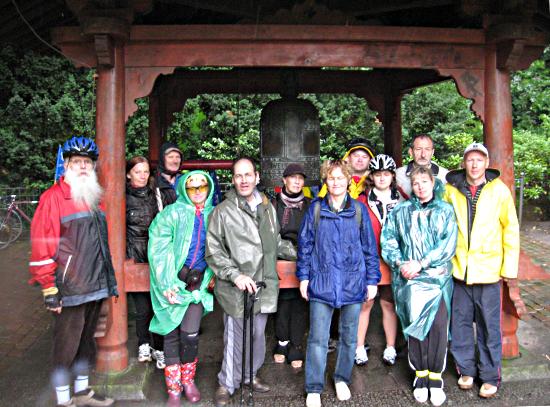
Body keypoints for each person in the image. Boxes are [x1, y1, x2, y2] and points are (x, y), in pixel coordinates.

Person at [29, 136, 117, 407]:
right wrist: (49, 288)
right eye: (76, 162)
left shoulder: (93, 198)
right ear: (65, 165)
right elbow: (42, 246)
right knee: (65, 347)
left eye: (87, 163)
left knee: (86, 343)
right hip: (69, 287)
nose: (82, 167)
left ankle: (82, 392)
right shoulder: (52, 199)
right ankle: (63, 400)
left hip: (95, 284)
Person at [206, 157, 295, 407]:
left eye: (248, 175)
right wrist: (235, 275)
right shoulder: (222, 211)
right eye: (238, 176)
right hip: (238, 287)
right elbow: (214, 251)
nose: (244, 180)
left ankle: (249, 376)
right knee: (235, 337)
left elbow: (276, 242)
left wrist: (304, 253)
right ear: (233, 180)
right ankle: (227, 383)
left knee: (257, 335)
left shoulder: (267, 208)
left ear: (257, 177)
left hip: (263, 284)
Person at [297, 159, 380, 407]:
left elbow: (369, 248)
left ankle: (342, 378)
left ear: (347, 181)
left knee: (348, 336)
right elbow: (305, 246)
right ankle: (313, 387)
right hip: (322, 281)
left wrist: (372, 280)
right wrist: (304, 277)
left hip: (353, 281)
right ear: (326, 181)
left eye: (340, 178)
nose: (336, 182)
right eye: (331, 178)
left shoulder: (357, 211)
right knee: (318, 338)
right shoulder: (315, 210)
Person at [444, 142, 520, 399]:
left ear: (486, 163)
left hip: (489, 271)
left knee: (489, 327)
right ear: (463, 162)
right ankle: (466, 369)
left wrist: (508, 268)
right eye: (470, 160)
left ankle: (489, 375)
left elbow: (510, 229)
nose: (474, 165)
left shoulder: (499, 191)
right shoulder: (451, 190)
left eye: (479, 160)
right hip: (460, 269)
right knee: (461, 324)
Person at [381, 167, 457, 407]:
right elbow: (389, 238)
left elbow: (448, 244)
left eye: (425, 181)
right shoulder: (401, 211)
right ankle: (420, 376)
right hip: (411, 281)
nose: (421, 186)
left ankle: (436, 378)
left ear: (433, 183)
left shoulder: (445, 210)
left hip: (438, 280)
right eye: (416, 183)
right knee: (415, 330)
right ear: (411, 186)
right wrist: (400, 262)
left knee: (437, 329)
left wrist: (422, 263)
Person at [147, 170, 216, 405]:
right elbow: (158, 247)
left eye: (202, 186)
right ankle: (173, 387)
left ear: (209, 188)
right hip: (172, 283)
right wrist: (166, 282)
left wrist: (212, 276)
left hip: (198, 284)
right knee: (171, 334)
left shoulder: (214, 214)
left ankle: (188, 380)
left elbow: (221, 248)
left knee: (190, 334)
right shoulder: (171, 213)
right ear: (183, 190)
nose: (197, 192)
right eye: (191, 187)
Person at [355, 154, 404, 366]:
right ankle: (359, 347)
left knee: (388, 303)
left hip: (394, 260)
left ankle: (390, 347)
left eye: (386, 174)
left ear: (392, 176)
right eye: (377, 174)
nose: (382, 178)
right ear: (371, 176)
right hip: (370, 260)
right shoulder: (361, 201)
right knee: (366, 303)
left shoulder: (403, 200)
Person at [125, 156, 165, 369]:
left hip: (155, 253)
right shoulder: (122, 197)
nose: (142, 175)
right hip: (134, 253)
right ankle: (143, 343)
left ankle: (159, 348)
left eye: (146, 171)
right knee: (142, 308)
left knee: (158, 305)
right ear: (128, 173)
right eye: (138, 171)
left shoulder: (156, 195)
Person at [272, 163, 311, 369]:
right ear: (284, 180)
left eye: (300, 178)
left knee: (300, 302)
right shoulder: (272, 204)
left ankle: (296, 343)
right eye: (292, 177)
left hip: (304, 258)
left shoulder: (311, 205)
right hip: (279, 258)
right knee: (283, 301)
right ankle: (282, 341)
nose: (297, 181)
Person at [395, 134, 448, 199]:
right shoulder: (398, 175)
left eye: (427, 149)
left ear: (432, 152)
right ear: (411, 152)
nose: (423, 155)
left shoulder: (444, 175)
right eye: (418, 149)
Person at [155, 141, 183, 207]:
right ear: (162, 159)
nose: (175, 161)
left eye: (178, 157)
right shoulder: (153, 182)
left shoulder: (185, 180)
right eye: (170, 157)